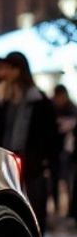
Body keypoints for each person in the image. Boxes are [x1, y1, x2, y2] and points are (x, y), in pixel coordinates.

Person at [0, 51, 59, 234]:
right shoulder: (5, 98)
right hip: (10, 163)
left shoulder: (38, 100)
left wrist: (45, 161)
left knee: (35, 210)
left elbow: (48, 135)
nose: (6, 73)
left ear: (18, 70)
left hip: (32, 165)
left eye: (10, 68)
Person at [51, 84, 75, 220]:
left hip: (69, 153)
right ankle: (57, 209)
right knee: (56, 181)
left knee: (68, 181)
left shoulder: (71, 109)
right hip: (57, 152)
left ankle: (69, 210)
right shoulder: (53, 109)